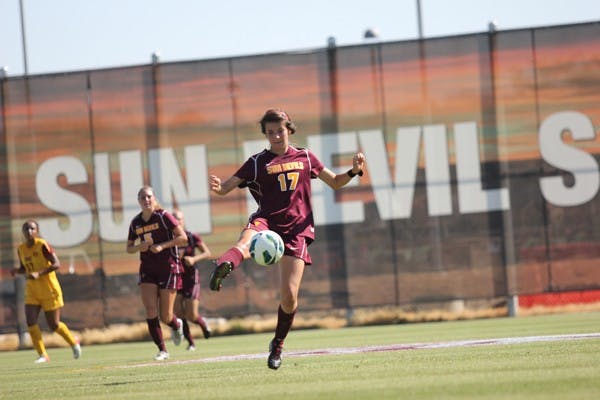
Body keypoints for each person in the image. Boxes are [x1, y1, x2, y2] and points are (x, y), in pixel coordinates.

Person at [208, 108, 365, 370]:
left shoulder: (305, 156)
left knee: (289, 295)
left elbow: (336, 182)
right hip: (267, 222)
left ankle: (278, 343)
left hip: (296, 231)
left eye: (280, 130)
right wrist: (218, 187)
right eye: (270, 132)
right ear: (266, 135)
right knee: (244, 243)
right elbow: (227, 186)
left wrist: (353, 171)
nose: (276, 136)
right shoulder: (257, 162)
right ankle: (223, 265)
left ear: (288, 129)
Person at [126, 186, 187, 361]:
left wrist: (162, 245)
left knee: (166, 316)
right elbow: (129, 248)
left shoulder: (164, 216)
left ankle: (176, 325)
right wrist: (139, 247)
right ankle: (162, 350)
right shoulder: (136, 223)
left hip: (169, 267)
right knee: (150, 309)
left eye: (149, 197)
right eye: (143, 197)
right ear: (138, 201)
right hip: (148, 269)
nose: (146, 200)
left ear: (154, 199)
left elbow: (182, 238)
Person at [11, 219, 82, 363]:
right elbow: (25, 268)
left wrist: (39, 273)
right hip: (32, 290)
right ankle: (43, 354)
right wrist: (17, 271)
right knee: (30, 321)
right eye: (26, 229)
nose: (29, 232)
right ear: (23, 232)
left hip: (49, 289)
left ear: (37, 231)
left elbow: (56, 264)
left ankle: (73, 342)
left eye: (32, 229)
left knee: (54, 325)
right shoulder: (21, 249)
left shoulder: (42, 245)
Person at [172, 209, 213, 351]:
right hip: (177, 278)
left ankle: (203, 324)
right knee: (178, 312)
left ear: (183, 221)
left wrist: (193, 259)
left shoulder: (192, 237)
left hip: (191, 278)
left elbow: (208, 253)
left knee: (191, 315)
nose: (177, 221)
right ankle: (191, 343)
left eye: (179, 219)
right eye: (174, 219)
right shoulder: (170, 240)